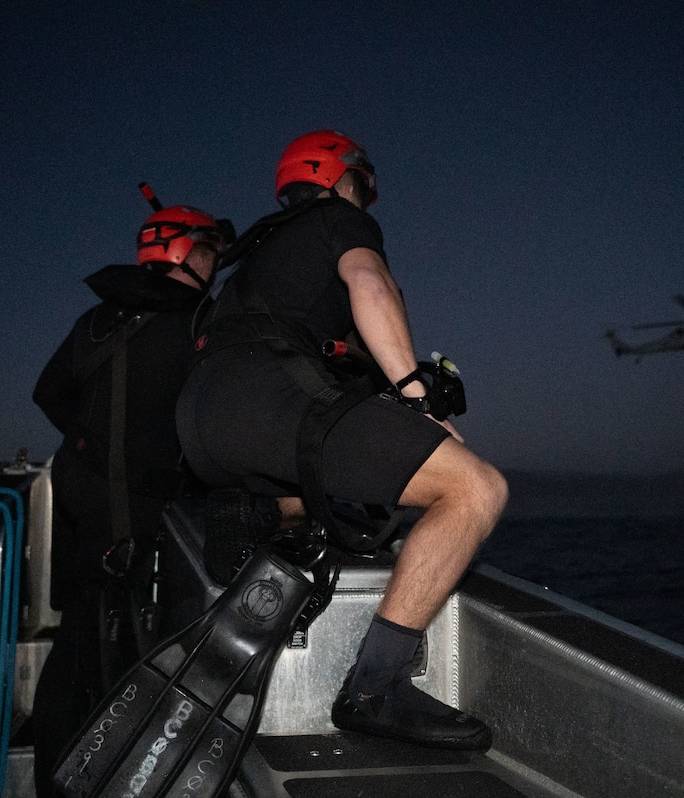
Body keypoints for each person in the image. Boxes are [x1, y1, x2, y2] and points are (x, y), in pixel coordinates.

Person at [175, 130, 508, 750]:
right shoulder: (339, 218)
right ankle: (374, 690)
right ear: (339, 176)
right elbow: (370, 286)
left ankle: (269, 528)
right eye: (362, 185)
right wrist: (417, 397)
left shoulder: (261, 252)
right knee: (474, 490)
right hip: (265, 400)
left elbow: (327, 352)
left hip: (201, 419)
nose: (365, 198)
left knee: (305, 464)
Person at [30, 201, 225, 797]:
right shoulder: (201, 321)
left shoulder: (98, 317)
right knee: (147, 648)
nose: (215, 264)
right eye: (209, 251)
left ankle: (54, 781)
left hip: (78, 491)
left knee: (79, 632)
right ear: (184, 253)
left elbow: (48, 392)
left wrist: (94, 447)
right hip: (141, 507)